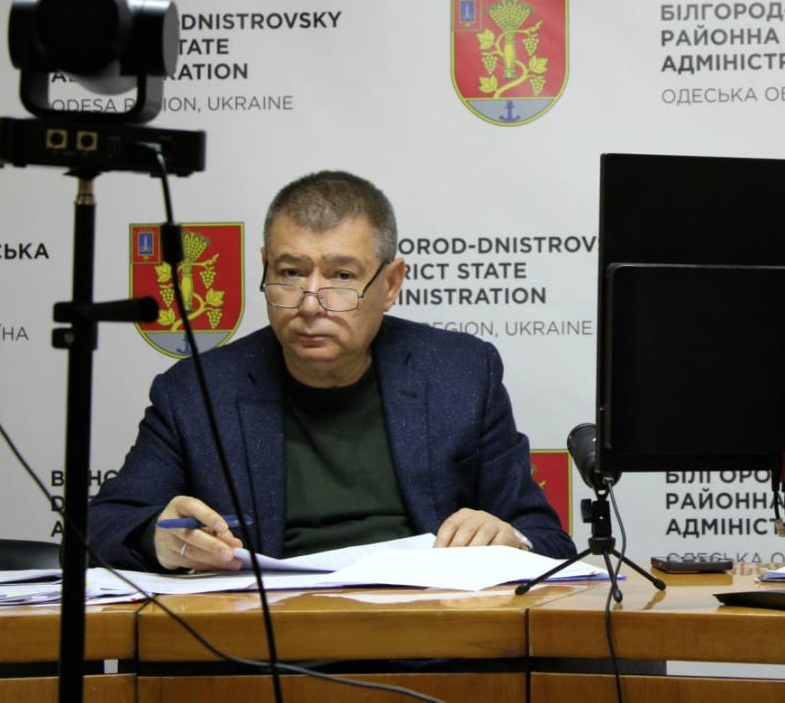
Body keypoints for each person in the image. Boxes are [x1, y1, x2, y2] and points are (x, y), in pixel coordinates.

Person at [88, 170, 575, 571]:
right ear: (264, 268)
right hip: (266, 639)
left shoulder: (460, 373)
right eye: (291, 273)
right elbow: (101, 528)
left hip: (427, 630)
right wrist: (157, 538)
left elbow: (548, 540)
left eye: (342, 276)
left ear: (391, 283)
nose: (309, 303)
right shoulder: (197, 391)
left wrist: (510, 540)